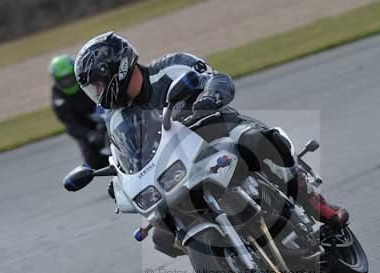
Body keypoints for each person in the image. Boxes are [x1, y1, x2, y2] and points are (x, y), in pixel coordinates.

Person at [73, 32, 348, 230]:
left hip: (219, 133)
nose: (97, 93)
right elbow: (126, 151)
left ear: (115, 70)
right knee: (160, 234)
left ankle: (316, 204)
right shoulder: (118, 118)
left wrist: (209, 97)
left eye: (97, 84)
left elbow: (217, 78)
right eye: (92, 89)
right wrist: (121, 177)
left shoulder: (170, 68)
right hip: (178, 165)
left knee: (256, 140)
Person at [49, 54, 109, 169]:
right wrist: (90, 135)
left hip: (107, 113)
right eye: (64, 80)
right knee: (94, 163)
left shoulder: (88, 78)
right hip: (89, 128)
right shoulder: (59, 101)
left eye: (70, 78)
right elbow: (71, 126)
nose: (68, 83)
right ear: (56, 80)